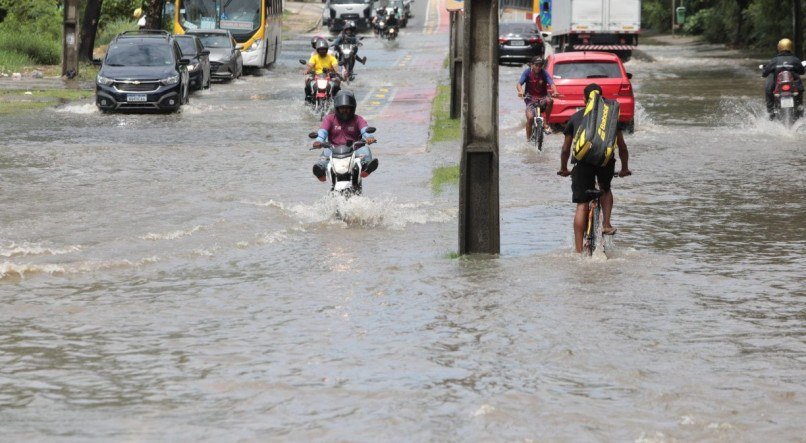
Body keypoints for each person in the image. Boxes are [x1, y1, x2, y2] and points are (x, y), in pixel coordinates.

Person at [557, 83, 631, 254]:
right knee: (605, 188)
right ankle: (606, 224)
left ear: (585, 99)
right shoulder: (611, 119)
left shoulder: (576, 117)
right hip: (605, 163)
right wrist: (624, 168)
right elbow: (622, 147)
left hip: (581, 165)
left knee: (582, 205)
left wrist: (564, 168)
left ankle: (578, 251)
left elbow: (565, 149)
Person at [312, 91, 379, 181]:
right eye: (342, 108)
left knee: (365, 150)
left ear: (353, 108)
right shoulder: (329, 119)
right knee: (323, 158)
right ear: (337, 108)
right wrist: (318, 141)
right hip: (333, 149)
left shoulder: (358, 119)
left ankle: (366, 167)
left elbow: (365, 130)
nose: (345, 110)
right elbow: (322, 132)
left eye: (348, 108)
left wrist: (369, 137)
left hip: (355, 150)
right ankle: (321, 171)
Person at [516, 55, 558, 141]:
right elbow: (519, 84)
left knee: (550, 101)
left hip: (542, 98)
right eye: (536, 65)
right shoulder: (527, 72)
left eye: (540, 65)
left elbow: (551, 83)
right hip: (530, 99)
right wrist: (521, 91)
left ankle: (546, 123)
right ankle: (528, 139)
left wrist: (555, 91)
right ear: (531, 65)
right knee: (530, 118)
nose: (538, 67)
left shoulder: (544, 73)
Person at [762, 38, 805, 120]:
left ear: (779, 47)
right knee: (799, 104)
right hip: (794, 87)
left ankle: (771, 112)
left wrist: (764, 70)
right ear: (790, 47)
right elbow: (802, 71)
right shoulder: (795, 60)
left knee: (768, 90)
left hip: (779, 88)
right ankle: (800, 112)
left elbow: (765, 73)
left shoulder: (774, 60)